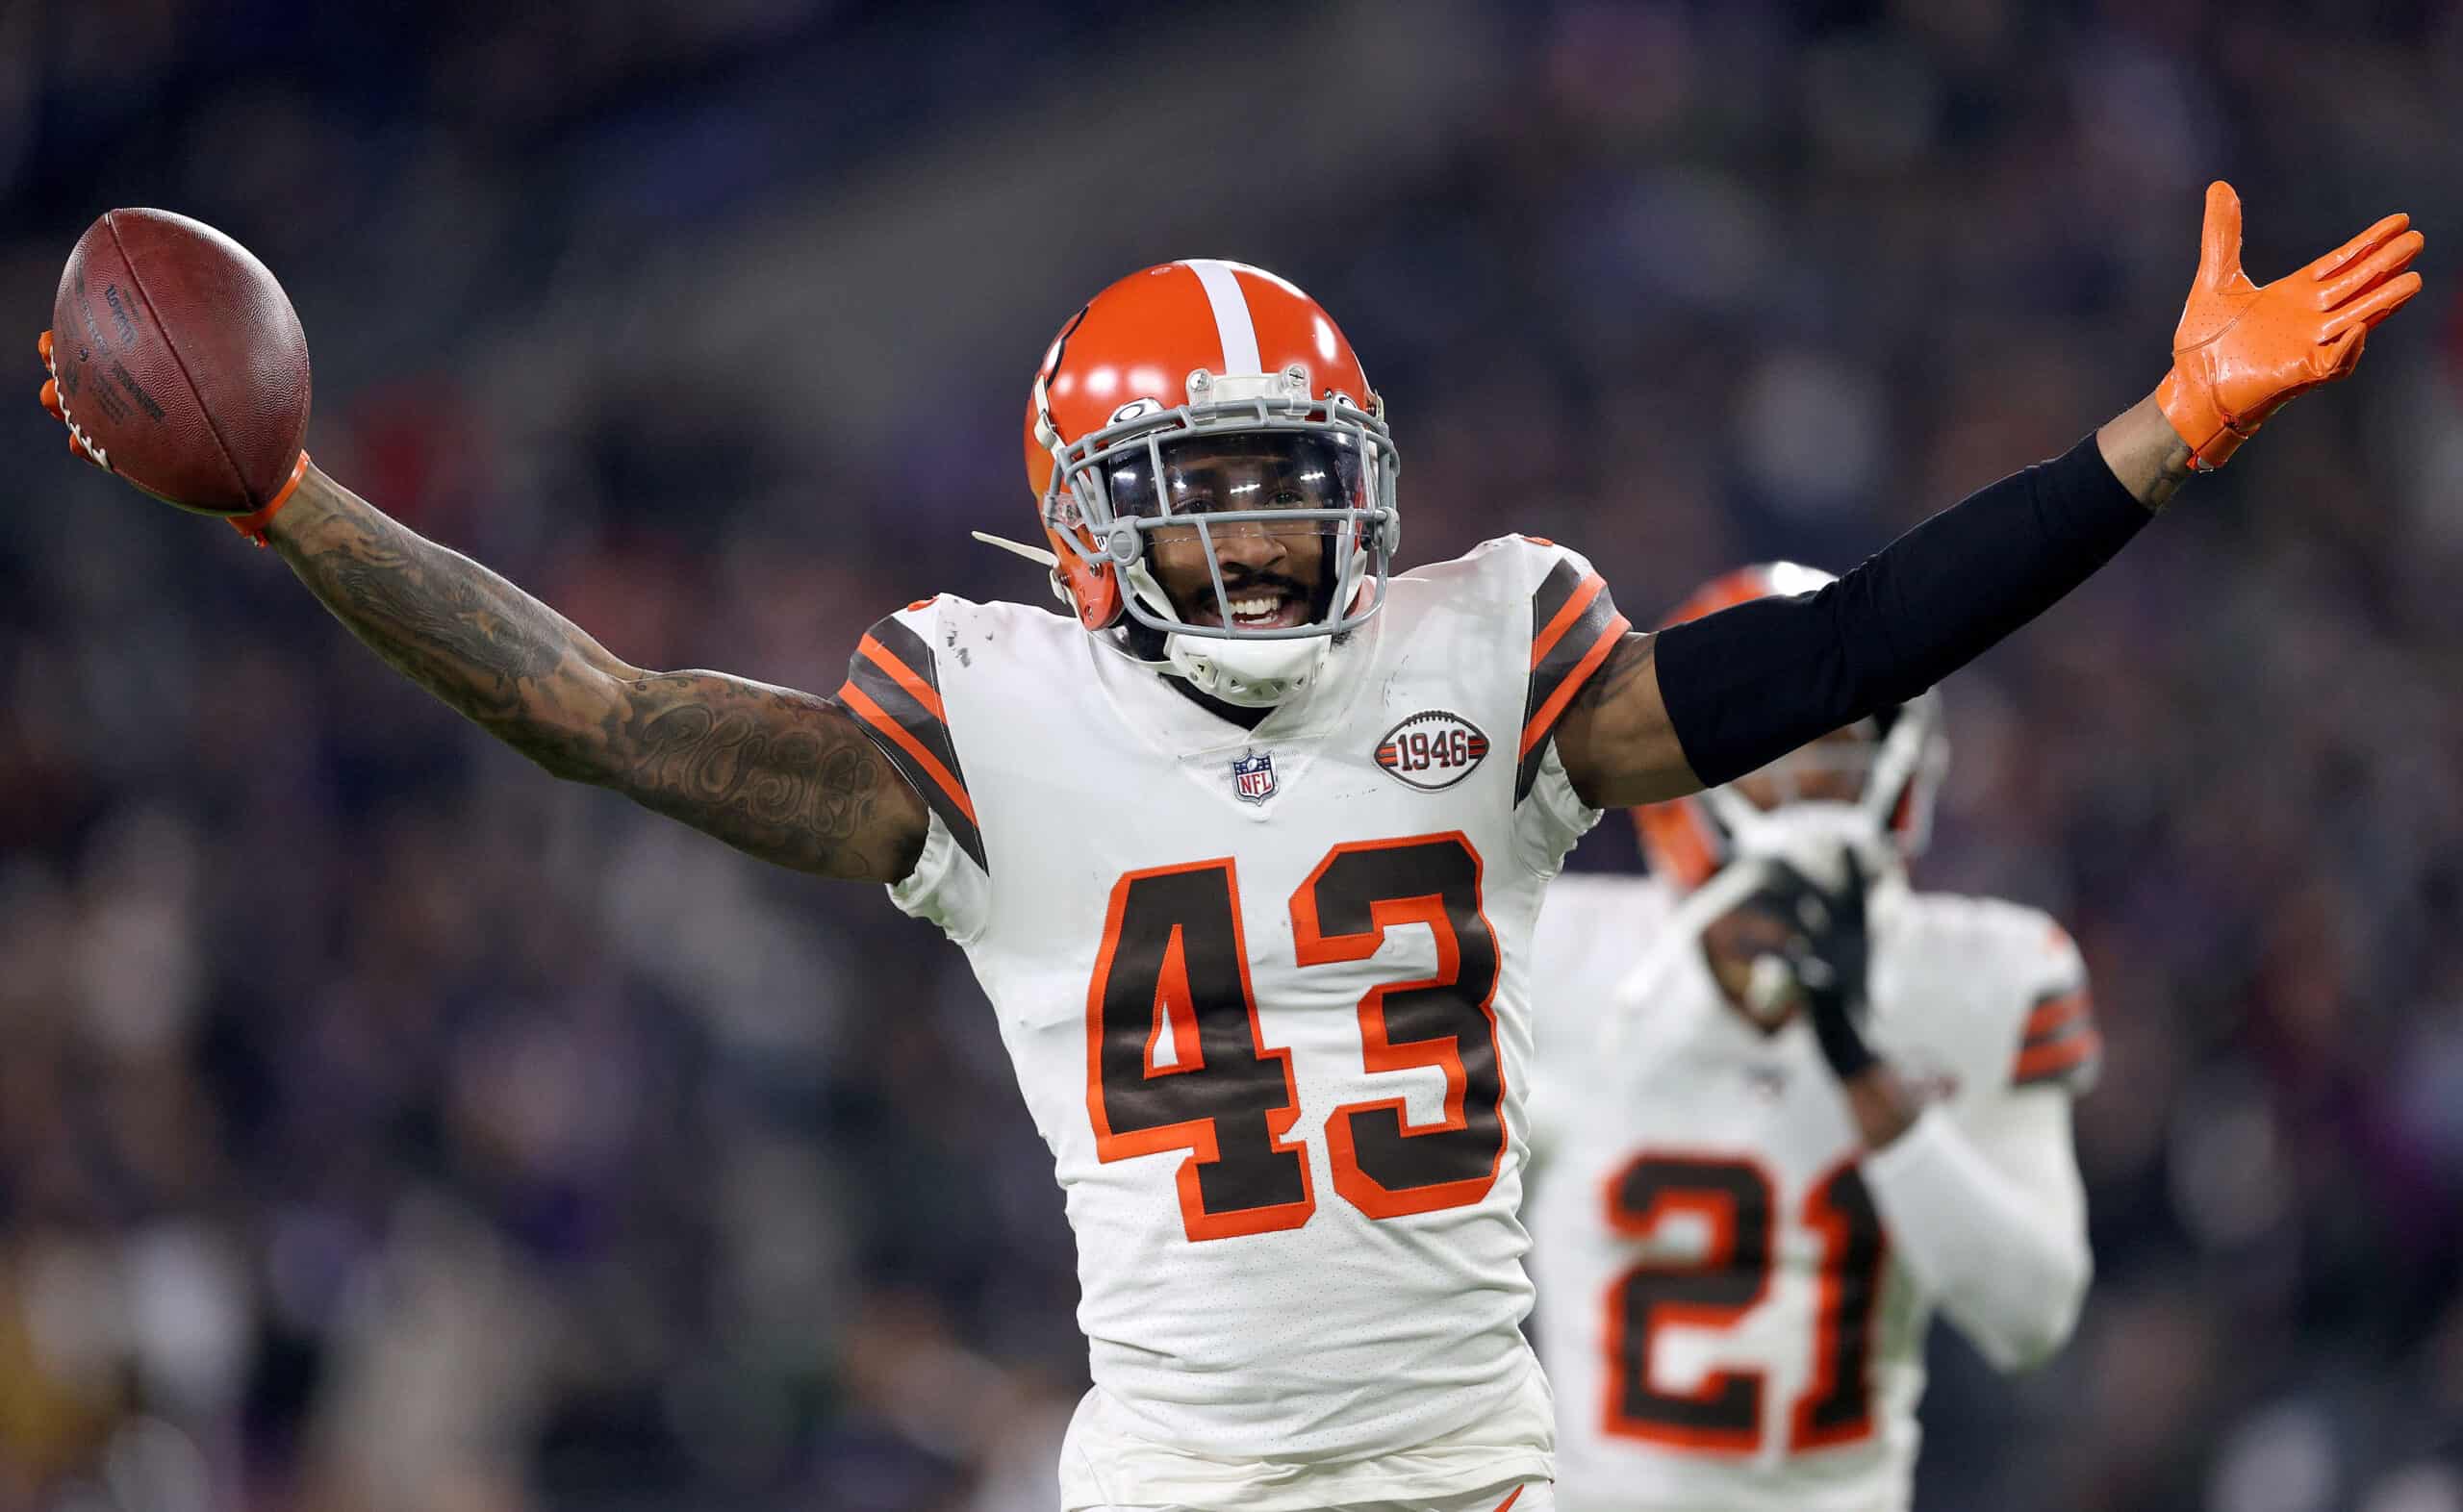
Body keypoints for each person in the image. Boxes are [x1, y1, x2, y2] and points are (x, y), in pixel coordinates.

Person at [33, 184, 2419, 1512]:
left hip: (1485, 1467)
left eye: (1294, 482)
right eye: (1211, 493)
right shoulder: (983, 721)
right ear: (1087, 528)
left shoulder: (1489, 659)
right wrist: (293, 504)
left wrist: (2145, 442)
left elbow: (1837, 653)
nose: (1270, 542)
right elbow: (597, 710)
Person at [1524, 562, 2096, 1512]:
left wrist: (1866, 1076)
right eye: (1773, 743)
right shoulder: (1554, 958)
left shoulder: (1987, 979)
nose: (1811, 784)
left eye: (1838, 746)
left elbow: (2030, 1317)